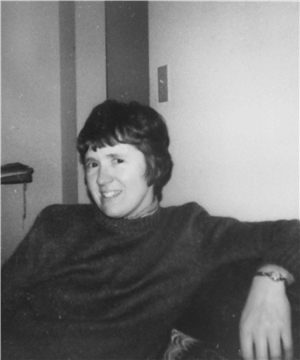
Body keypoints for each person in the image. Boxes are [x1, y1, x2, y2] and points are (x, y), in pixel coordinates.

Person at [1, 100, 299, 360]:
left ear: (154, 166)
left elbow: (290, 232)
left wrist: (270, 279)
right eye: (92, 164)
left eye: (117, 160)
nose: (102, 179)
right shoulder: (57, 222)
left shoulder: (189, 230)